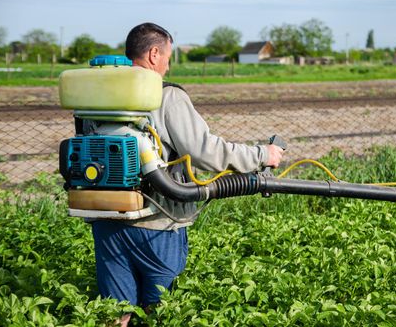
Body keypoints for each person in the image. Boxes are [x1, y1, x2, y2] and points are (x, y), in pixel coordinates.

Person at [90, 22, 284, 326]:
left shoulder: (98, 93)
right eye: (167, 56)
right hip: (156, 221)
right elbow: (204, 151)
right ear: (154, 54)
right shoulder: (165, 96)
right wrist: (263, 155)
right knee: (159, 309)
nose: (168, 65)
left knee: (116, 314)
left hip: (105, 219)